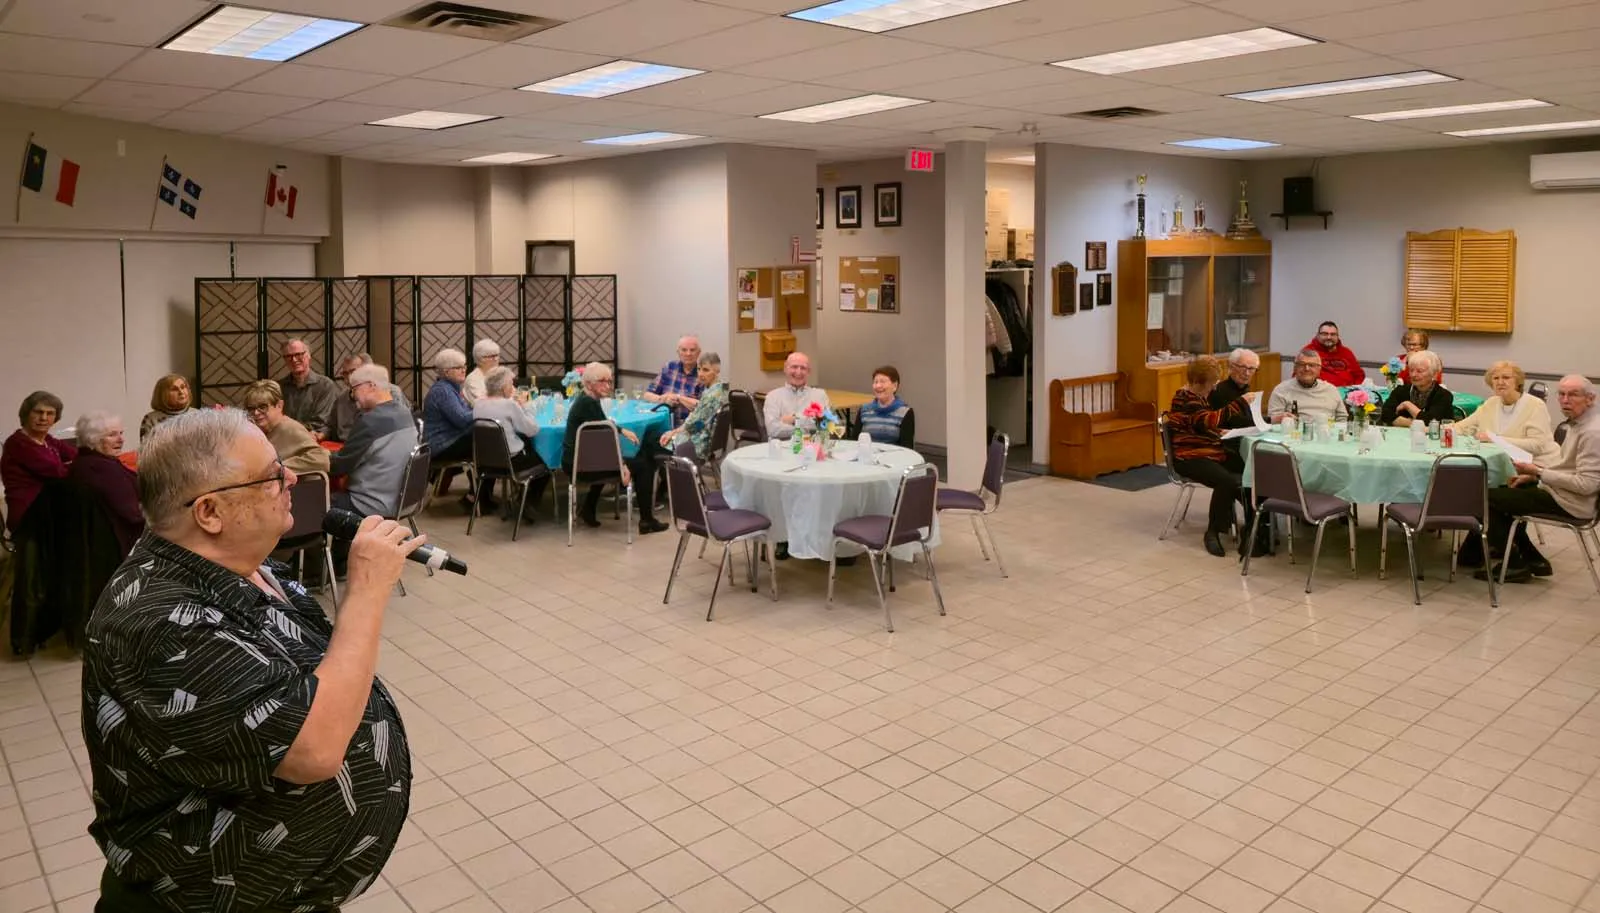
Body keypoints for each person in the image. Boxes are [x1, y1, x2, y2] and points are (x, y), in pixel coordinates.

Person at [82, 409, 414, 912]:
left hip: (279, 893)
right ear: (209, 512)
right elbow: (315, 750)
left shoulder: (246, 568)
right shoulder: (160, 621)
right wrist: (366, 590)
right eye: (271, 475)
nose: (292, 479)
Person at [1473, 375, 1600, 584]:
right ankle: (1533, 559)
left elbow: (1586, 485)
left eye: (1573, 395)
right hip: (1562, 492)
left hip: (1573, 503)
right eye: (1561, 394)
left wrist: (1539, 473)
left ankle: (1514, 564)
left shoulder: (1592, 432)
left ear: (1590, 398)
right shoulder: (1582, 422)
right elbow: (1570, 469)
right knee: (1504, 490)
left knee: (1482, 498)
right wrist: (1533, 474)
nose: (1565, 400)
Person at [1168, 356, 1268, 559]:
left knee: (1252, 471)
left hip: (1209, 451)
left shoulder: (1199, 397)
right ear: (1197, 382)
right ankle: (1213, 532)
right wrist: (1240, 402)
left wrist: (1218, 432)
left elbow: (1202, 425)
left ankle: (1253, 528)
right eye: (1211, 384)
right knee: (1227, 481)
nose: (1213, 389)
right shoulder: (1185, 399)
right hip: (1190, 456)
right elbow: (1206, 420)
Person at [562, 362, 667, 534]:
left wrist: (621, 430)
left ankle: (588, 508)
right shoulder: (589, 404)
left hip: (576, 462)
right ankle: (647, 520)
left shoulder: (586, 400)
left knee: (605, 461)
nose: (608, 385)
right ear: (588, 383)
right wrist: (623, 464)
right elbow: (605, 441)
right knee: (644, 465)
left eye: (609, 381)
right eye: (602, 381)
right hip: (581, 464)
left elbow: (602, 426)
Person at [331, 364, 419, 521]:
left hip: (370, 504)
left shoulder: (371, 421)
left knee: (314, 501)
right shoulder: (404, 413)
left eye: (354, 389)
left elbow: (339, 465)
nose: (352, 396)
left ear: (371, 386)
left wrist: (321, 455)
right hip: (403, 500)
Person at [423, 347, 495, 511]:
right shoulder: (443, 391)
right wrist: (485, 406)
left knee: (489, 440)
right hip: (442, 445)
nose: (464, 370)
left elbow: (465, 415)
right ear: (446, 372)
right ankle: (476, 498)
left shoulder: (451, 388)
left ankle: (480, 496)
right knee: (490, 443)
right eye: (458, 367)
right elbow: (462, 420)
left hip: (452, 438)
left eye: (464, 366)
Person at [473, 365, 551, 515]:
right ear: (503, 387)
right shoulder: (509, 405)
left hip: (486, 462)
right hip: (512, 461)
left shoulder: (478, 404)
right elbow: (531, 430)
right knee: (546, 465)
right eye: (511, 384)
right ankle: (526, 503)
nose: (513, 387)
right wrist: (525, 405)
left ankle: (519, 500)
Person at [67, 412, 143, 558]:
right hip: (120, 545)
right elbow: (133, 515)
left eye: (121, 433)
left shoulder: (85, 460)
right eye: (112, 435)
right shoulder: (102, 469)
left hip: (104, 541)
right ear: (93, 438)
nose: (121, 440)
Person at [1452, 361, 1559, 464]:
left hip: (1536, 465)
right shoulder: (1491, 403)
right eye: (1496, 378)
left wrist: (1496, 439)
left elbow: (1537, 445)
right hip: (1504, 462)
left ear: (1517, 382)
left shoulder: (1535, 405)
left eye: (1506, 377)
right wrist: (1440, 429)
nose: (1500, 382)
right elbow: (1462, 427)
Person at [3, 391, 77, 533]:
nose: (43, 418)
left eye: (50, 413)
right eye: (38, 412)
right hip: (29, 514)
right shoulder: (18, 443)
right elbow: (56, 472)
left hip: (49, 507)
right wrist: (75, 465)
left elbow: (79, 455)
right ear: (26, 414)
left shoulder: (48, 440)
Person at [243, 379, 331, 476]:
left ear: (279, 405)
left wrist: (278, 468)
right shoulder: (257, 432)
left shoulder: (290, 428)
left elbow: (322, 459)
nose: (256, 413)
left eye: (262, 407)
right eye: (251, 409)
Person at [659, 352, 729, 461]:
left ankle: (671, 475)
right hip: (712, 441)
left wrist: (672, 433)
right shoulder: (721, 388)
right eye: (699, 369)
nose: (700, 374)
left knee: (656, 441)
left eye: (706, 370)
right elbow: (700, 414)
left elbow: (694, 424)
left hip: (698, 443)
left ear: (717, 371)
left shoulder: (711, 396)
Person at [329, 353, 408, 443]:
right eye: (345, 374)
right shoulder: (341, 398)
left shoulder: (391, 393)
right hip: (347, 447)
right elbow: (331, 428)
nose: (349, 378)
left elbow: (396, 430)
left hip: (378, 445)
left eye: (353, 372)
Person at [279, 337, 340, 440]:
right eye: (288, 356)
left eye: (298, 354)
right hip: (284, 438)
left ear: (308, 355)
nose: (293, 360)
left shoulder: (325, 385)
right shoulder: (280, 386)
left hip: (313, 440)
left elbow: (321, 422)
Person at [1268, 350, 1349, 424]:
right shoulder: (1281, 390)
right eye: (1302, 364)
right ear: (1295, 368)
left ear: (1319, 369)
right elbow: (1274, 422)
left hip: (1326, 435)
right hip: (1294, 436)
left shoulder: (1331, 390)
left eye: (1312, 365)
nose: (1306, 369)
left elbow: (1342, 419)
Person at [764, 352, 831, 439]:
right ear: (785, 369)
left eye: (803, 368)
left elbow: (826, 426)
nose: (798, 372)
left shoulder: (820, 395)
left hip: (812, 448)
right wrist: (809, 423)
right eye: (794, 367)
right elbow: (773, 430)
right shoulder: (772, 396)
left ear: (808, 371)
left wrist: (793, 419)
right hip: (783, 449)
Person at [1379, 350, 1453, 428]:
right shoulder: (1401, 391)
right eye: (1411, 370)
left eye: (1419, 371)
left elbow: (1431, 422)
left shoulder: (1443, 395)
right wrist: (1413, 423)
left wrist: (1408, 405)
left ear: (1434, 374)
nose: (1413, 375)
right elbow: (1385, 415)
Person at [644, 335, 705, 423]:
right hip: (664, 423)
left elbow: (703, 407)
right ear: (678, 352)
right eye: (684, 350)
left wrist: (678, 397)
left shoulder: (704, 373)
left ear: (699, 353)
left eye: (692, 350)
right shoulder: (669, 367)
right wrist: (664, 399)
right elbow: (647, 395)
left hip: (689, 427)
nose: (688, 353)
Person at [855, 365, 916, 447]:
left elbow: (907, 447)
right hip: (867, 457)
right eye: (875, 382)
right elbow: (854, 442)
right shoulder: (864, 410)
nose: (878, 386)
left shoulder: (905, 412)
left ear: (894, 386)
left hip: (893, 458)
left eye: (882, 382)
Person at [140, 374, 197, 441]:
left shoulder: (198, 415)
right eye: (174, 389)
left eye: (183, 387)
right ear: (162, 394)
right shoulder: (150, 419)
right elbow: (146, 449)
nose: (181, 392)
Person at [1307, 321, 1365, 386]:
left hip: (1346, 392)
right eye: (1325, 334)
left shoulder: (1346, 352)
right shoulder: (1308, 352)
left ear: (1337, 336)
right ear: (1318, 335)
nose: (1329, 337)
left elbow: (1359, 375)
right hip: (1319, 393)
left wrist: (1353, 390)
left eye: (1333, 334)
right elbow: (1298, 377)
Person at [463, 339, 501, 405]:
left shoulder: (498, 374)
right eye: (491, 356)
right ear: (480, 359)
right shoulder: (473, 379)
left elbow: (515, 395)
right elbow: (483, 404)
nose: (496, 359)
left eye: (497, 355)